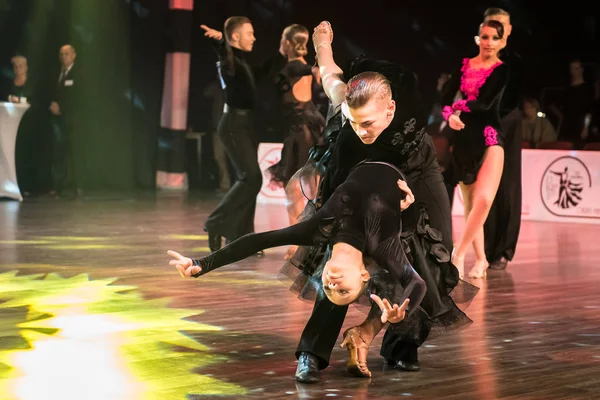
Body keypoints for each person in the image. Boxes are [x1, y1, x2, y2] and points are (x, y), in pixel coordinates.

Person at [286, 21, 469, 383]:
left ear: (390, 110)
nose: (361, 130)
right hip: (357, 179)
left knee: (428, 255)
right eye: (355, 123)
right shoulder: (346, 117)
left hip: (414, 173)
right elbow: (329, 75)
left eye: (368, 123)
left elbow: (408, 191)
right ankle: (312, 352)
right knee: (340, 261)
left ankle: (394, 343)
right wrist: (323, 45)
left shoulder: (405, 130)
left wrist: (402, 205)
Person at [169, 161, 466, 379]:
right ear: (364, 275)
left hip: (351, 157)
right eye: (344, 290)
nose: (333, 283)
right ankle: (376, 338)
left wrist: (201, 264)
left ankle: (369, 341)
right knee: (427, 269)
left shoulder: (319, 230)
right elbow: (417, 284)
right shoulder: (383, 245)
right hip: (404, 168)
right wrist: (403, 309)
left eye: (329, 288)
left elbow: (258, 240)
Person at [200, 17, 287, 251]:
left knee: (250, 180)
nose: (254, 37)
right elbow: (224, 57)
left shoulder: (242, 64)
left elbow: (262, 73)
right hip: (233, 125)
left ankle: (240, 236)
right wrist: (221, 42)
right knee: (251, 177)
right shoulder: (230, 62)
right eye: (250, 33)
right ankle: (216, 224)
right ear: (235, 36)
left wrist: (282, 53)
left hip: (246, 125)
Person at [441, 20, 509, 279]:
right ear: (477, 38)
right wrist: (449, 115)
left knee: (483, 201)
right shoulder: (464, 65)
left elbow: (486, 103)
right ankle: (480, 259)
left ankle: (458, 253)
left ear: (501, 42)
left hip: (489, 135)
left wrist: (458, 109)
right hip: (464, 138)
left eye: (494, 38)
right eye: (485, 36)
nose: (489, 42)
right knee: (470, 205)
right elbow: (445, 97)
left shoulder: (501, 71)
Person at [266, 24, 325, 260]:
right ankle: (307, 239)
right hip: (304, 130)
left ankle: (298, 241)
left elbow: (296, 73)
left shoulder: (294, 67)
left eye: (282, 38)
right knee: (311, 187)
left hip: (300, 133)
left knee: (294, 188)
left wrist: (313, 71)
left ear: (288, 42)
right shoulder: (301, 66)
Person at [481, 7, 525, 271]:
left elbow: (512, 98)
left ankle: (504, 250)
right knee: (484, 185)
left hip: (506, 122)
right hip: (483, 123)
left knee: (507, 183)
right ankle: (484, 247)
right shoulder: (478, 57)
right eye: (490, 24)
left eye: (501, 24)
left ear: (508, 29)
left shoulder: (514, 61)